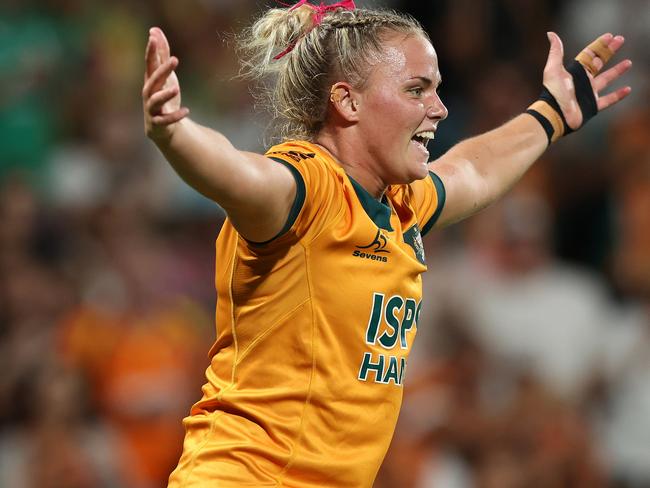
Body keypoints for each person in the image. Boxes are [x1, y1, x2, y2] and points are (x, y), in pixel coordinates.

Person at [142, 1, 631, 486]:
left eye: (437, 90)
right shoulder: (308, 190)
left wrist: (549, 115)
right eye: (416, 89)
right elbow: (237, 173)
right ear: (348, 101)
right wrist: (175, 134)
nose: (439, 108)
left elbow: (474, 170)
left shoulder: (401, 206)